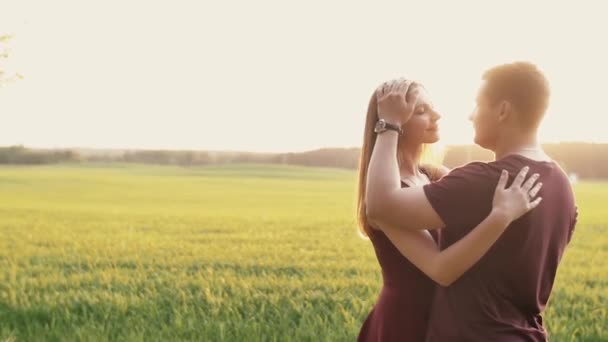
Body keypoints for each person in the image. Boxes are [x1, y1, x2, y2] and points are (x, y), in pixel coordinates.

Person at [365, 62, 577, 341]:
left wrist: (388, 123)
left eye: (477, 105)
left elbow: (381, 204)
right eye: (421, 110)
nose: (469, 115)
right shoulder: (561, 185)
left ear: (502, 111)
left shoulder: (482, 182)